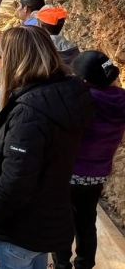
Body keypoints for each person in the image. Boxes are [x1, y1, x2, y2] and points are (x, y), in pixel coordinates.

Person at [0, 26, 95, 269]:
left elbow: (15, 181)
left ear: (10, 59)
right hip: (44, 222)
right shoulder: (63, 96)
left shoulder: (30, 111)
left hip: (16, 230)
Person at [53, 51, 125, 269]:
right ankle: (84, 264)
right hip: (97, 174)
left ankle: (61, 264)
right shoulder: (121, 100)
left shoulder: (83, 100)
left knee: (62, 219)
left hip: (71, 171)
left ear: (84, 80)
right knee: (86, 220)